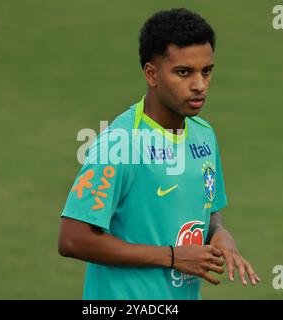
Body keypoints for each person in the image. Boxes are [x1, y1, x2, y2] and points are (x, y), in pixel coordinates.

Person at [58, 8, 260, 299]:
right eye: (183, 72)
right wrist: (172, 257)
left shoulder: (204, 134)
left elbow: (208, 212)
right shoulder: (121, 143)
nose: (199, 85)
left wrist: (219, 234)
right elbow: (72, 239)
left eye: (206, 71)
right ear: (152, 74)